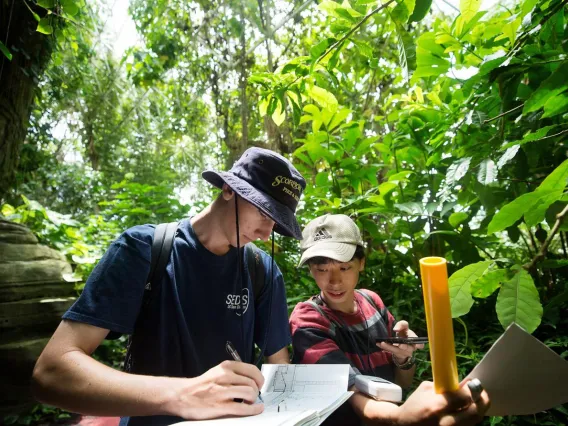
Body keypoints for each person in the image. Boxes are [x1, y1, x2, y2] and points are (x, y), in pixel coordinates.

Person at [31, 147, 307, 426]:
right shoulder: (143, 250)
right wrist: (184, 395)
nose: (265, 233)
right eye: (262, 212)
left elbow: (278, 365)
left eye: (276, 222)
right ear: (228, 189)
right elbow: (52, 371)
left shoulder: (263, 272)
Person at [289, 214, 490, 425]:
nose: (335, 281)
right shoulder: (308, 321)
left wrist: (403, 357)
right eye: (322, 270)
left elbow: (401, 385)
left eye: (345, 267)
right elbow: (353, 397)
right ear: (311, 271)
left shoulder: (372, 301)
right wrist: (401, 418)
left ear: (361, 263)